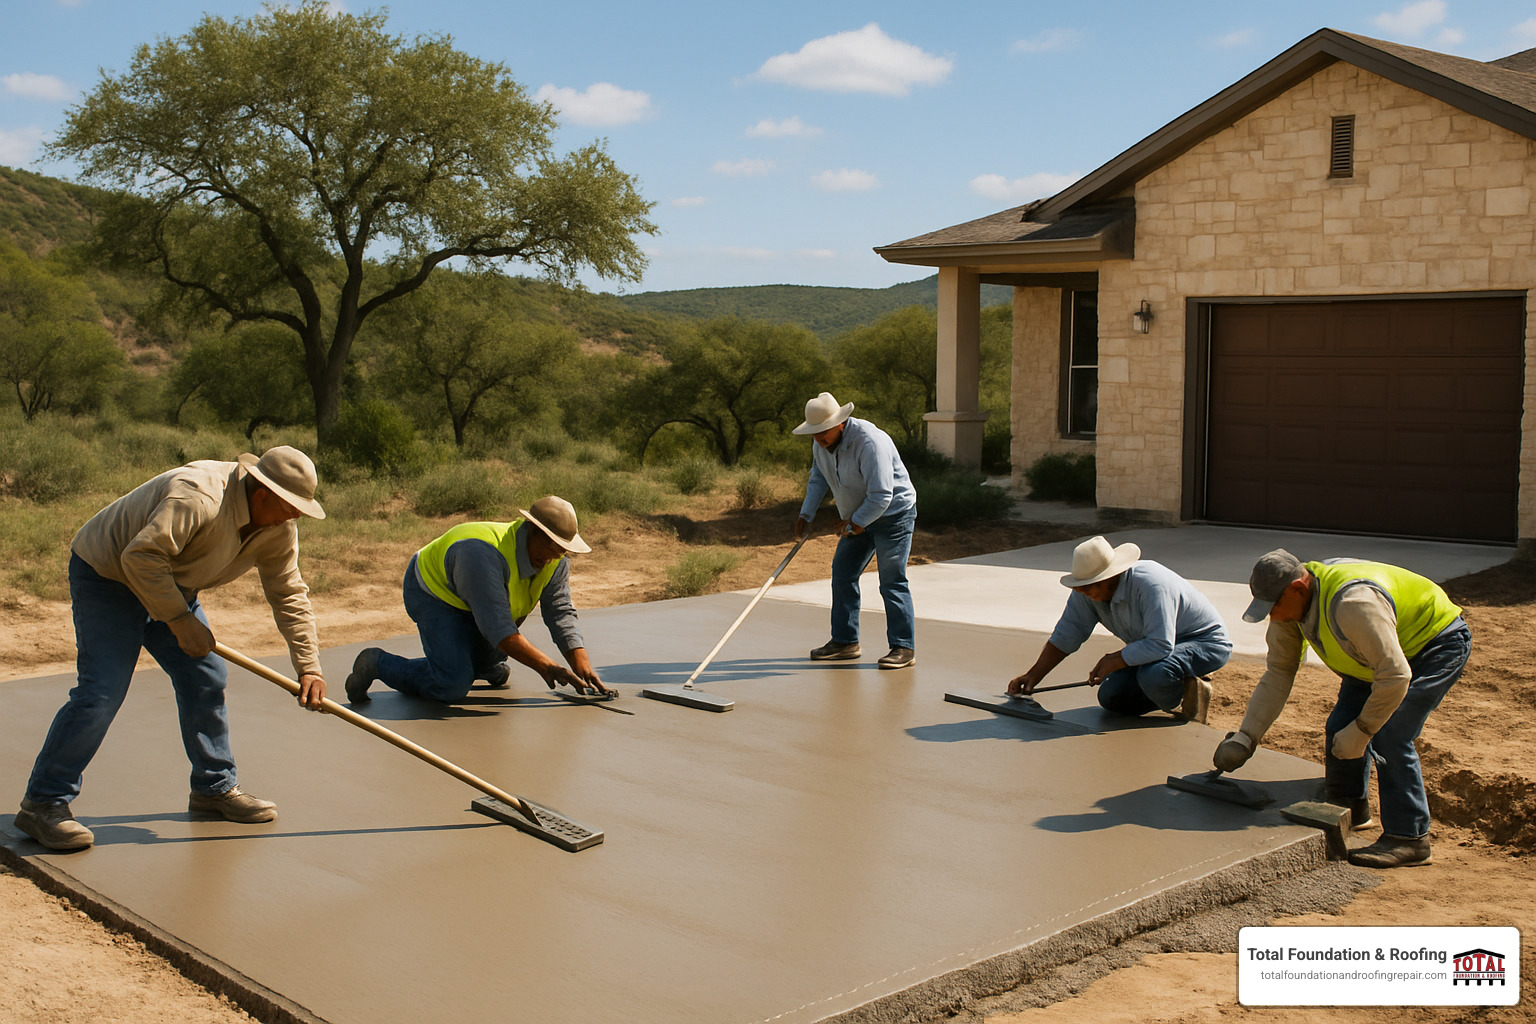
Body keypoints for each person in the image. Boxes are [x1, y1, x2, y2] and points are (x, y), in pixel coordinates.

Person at [15, 446, 328, 851]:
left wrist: (309, 666)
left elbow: (288, 592)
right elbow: (139, 557)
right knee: (102, 692)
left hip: (172, 581)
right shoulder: (198, 496)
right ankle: (43, 803)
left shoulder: (279, 526)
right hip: (109, 575)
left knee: (206, 678)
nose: (296, 516)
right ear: (263, 492)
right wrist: (179, 621)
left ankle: (213, 787)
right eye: (290, 506)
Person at [1215, 549, 1471, 869]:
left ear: (1298, 588)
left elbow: (1394, 676)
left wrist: (1363, 731)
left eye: (1275, 606)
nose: (1274, 616)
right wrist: (1246, 737)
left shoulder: (1354, 604)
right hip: (1372, 656)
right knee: (1340, 725)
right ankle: (1349, 807)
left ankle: (1410, 839)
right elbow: (1279, 672)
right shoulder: (1291, 608)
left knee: (1390, 735)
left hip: (1431, 645)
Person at [346, 495, 611, 704]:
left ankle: (479, 665)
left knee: (492, 657)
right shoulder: (482, 554)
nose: (555, 556)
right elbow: (498, 629)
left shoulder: (555, 560)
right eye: (551, 546)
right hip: (435, 593)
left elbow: (560, 612)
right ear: (532, 529)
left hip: (477, 603)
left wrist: (580, 662)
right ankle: (377, 663)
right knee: (452, 684)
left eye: (562, 550)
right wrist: (547, 667)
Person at [1006, 536, 1230, 721]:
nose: (1086, 593)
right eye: (1082, 588)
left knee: (1155, 675)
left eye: (1091, 587)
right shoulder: (1086, 591)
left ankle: (1188, 694)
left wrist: (1117, 659)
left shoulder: (1151, 584)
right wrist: (1033, 675)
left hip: (1203, 642)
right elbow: (1067, 633)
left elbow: (1161, 643)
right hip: (1155, 648)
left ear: (1111, 576)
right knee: (1111, 696)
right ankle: (1168, 685)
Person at [792, 391, 918, 670]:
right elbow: (818, 478)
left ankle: (903, 647)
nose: (819, 438)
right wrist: (806, 514)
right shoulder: (820, 445)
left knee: (892, 580)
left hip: (893, 515)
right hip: (857, 517)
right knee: (843, 573)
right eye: (814, 433)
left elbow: (882, 495)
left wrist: (855, 523)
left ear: (840, 423)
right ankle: (845, 642)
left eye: (823, 431)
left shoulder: (869, 442)